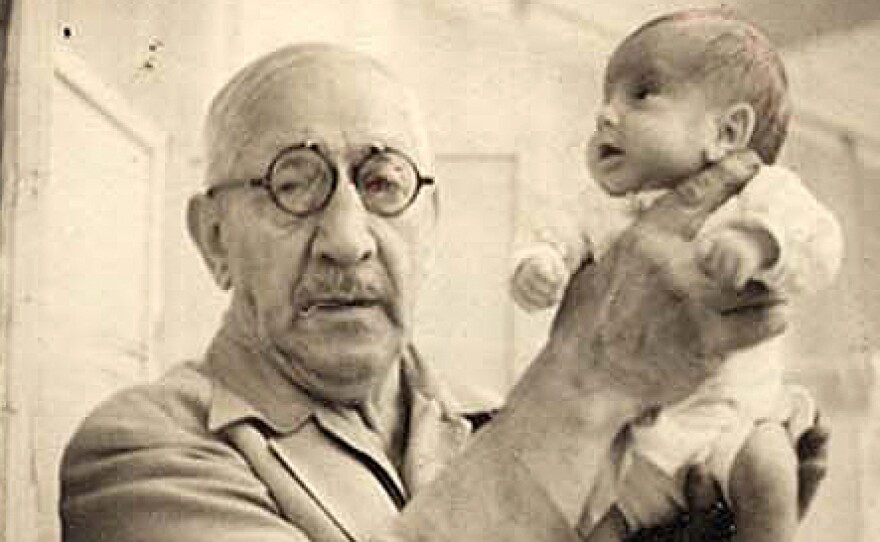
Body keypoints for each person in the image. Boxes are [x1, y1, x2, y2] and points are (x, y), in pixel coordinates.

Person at [60, 43, 827, 542]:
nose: (348, 238)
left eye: (383, 182)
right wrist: (592, 374)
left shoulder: (488, 423)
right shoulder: (140, 451)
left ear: (430, 224)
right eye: (292, 186)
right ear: (215, 239)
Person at [509, 9, 841, 542]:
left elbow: (820, 241)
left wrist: (758, 243)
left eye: (640, 94)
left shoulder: (760, 194)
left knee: (771, 470)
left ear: (727, 132)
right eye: (605, 98)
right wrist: (541, 263)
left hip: (736, 422)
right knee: (595, 523)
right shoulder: (606, 209)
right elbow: (560, 231)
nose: (605, 115)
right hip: (641, 437)